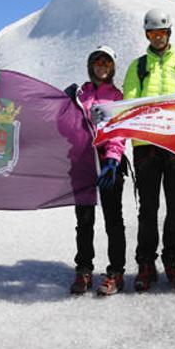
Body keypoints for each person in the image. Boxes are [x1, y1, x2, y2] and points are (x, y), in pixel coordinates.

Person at [122, 9, 175, 292]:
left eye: (162, 33)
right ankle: (145, 264)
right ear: (147, 35)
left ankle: (173, 262)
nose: (157, 38)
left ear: (169, 33)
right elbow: (129, 103)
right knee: (148, 210)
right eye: (152, 33)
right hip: (145, 148)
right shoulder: (138, 67)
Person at [65, 46, 128, 296]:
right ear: (91, 66)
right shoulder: (81, 95)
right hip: (82, 163)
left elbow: (119, 131)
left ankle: (116, 272)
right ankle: (84, 269)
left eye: (107, 63)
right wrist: (65, 103)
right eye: (97, 62)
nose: (102, 67)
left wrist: (113, 160)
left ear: (112, 68)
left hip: (108, 164)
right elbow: (66, 128)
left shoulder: (118, 96)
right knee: (84, 220)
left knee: (113, 219)